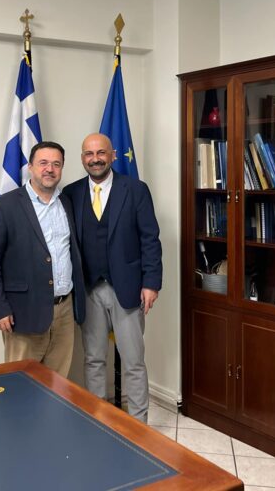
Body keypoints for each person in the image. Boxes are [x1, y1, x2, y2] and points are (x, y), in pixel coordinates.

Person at [63, 133, 162, 423]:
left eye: (101, 153)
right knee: (93, 359)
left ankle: (140, 425)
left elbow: (150, 239)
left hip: (128, 289)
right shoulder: (71, 193)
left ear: (113, 155)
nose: (95, 159)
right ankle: (98, 422)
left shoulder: (135, 190)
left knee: (133, 362)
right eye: (89, 154)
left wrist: (151, 283)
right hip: (88, 289)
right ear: (82, 158)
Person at [0, 141, 85, 377]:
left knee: (58, 382)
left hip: (64, 311)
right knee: (21, 383)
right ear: (30, 167)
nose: (50, 169)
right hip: (23, 312)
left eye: (56, 164)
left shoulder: (66, 203)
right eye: (43, 163)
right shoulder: (4, 206)